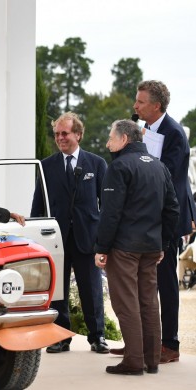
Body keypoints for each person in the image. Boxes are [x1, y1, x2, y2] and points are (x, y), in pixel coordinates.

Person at [111, 80, 196, 363]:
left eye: (140, 102)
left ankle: (169, 344)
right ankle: (139, 343)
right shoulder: (140, 131)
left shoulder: (174, 134)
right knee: (135, 282)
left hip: (165, 219)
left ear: (156, 106)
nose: (135, 106)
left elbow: (169, 177)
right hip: (142, 217)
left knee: (164, 282)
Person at [95, 119, 179, 375]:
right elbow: (172, 209)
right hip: (151, 246)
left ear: (124, 139)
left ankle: (133, 361)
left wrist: (102, 247)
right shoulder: (159, 166)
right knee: (149, 302)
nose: (108, 143)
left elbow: (110, 213)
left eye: (111, 138)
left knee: (126, 304)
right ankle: (151, 360)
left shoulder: (118, 166)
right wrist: (162, 243)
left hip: (124, 247)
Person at [30, 112, 109, 354]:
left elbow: (106, 205)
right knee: (57, 291)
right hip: (55, 240)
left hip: (87, 238)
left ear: (78, 134)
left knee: (92, 290)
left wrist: (104, 240)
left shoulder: (97, 164)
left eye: (65, 133)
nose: (60, 138)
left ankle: (98, 337)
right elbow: (38, 204)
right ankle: (60, 337)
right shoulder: (45, 166)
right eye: (56, 134)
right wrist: (34, 238)